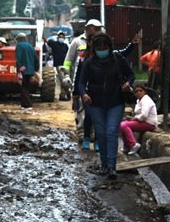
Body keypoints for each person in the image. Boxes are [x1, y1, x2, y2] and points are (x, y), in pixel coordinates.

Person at [79, 32, 135, 180]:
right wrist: (84, 94)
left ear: (109, 47)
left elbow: (131, 75)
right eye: (99, 47)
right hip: (95, 104)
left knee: (111, 132)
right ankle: (104, 164)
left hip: (115, 102)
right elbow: (81, 82)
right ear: (94, 48)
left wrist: (128, 84)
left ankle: (112, 167)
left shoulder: (118, 59)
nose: (101, 50)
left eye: (104, 47)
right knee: (101, 135)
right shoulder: (89, 63)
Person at [64, 19, 103, 150]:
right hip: (79, 79)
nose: (97, 31)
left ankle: (91, 132)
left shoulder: (100, 41)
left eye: (98, 29)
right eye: (95, 28)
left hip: (95, 82)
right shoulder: (77, 42)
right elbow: (69, 60)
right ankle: (81, 132)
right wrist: (65, 75)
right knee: (80, 108)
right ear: (88, 28)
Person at [120, 84, 158, 155]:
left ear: (144, 92)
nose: (138, 92)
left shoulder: (146, 100)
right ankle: (127, 146)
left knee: (123, 125)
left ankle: (133, 145)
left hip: (149, 123)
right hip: (143, 122)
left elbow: (144, 115)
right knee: (123, 124)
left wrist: (134, 118)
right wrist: (132, 118)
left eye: (141, 91)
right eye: (136, 91)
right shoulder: (139, 101)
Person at [16, 32, 39, 110]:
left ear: (19, 39)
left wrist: (18, 68)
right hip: (30, 70)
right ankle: (24, 105)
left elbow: (18, 58)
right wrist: (35, 69)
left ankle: (27, 105)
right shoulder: (30, 46)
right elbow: (36, 58)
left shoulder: (19, 46)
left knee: (23, 87)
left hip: (23, 70)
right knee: (27, 87)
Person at [44, 31, 70, 100]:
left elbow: (69, 55)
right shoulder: (55, 44)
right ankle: (66, 93)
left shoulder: (65, 46)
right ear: (58, 37)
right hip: (58, 65)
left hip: (65, 65)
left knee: (66, 80)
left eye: (62, 37)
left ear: (64, 38)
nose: (61, 38)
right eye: (60, 37)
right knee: (62, 80)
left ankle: (62, 95)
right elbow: (48, 41)